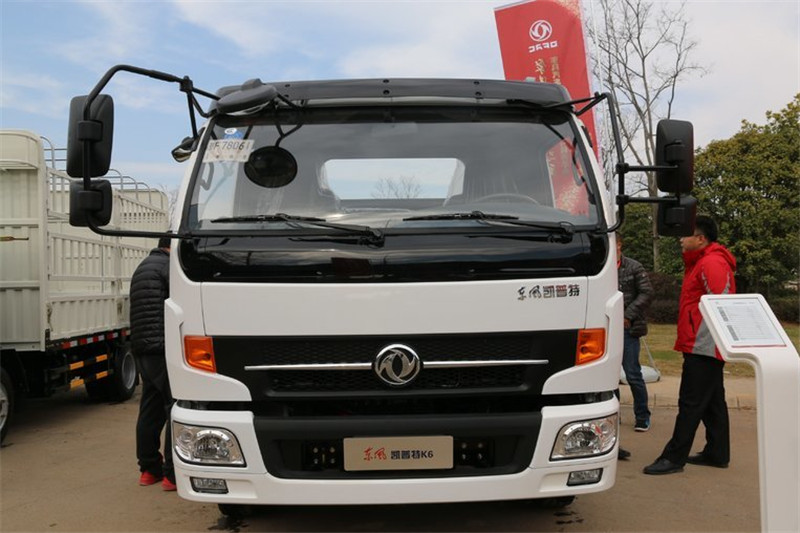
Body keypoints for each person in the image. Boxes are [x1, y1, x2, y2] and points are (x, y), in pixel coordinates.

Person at [644, 216, 736, 475]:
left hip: (704, 346)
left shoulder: (711, 262)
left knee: (690, 402)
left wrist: (709, 341)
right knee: (713, 402)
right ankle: (717, 453)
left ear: (701, 239)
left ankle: (674, 458)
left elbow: (721, 304)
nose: (681, 239)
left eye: (686, 234)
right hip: (702, 344)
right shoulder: (701, 262)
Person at [130, 236, 175, 491]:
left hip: (143, 349)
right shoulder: (168, 267)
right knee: (175, 408)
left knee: (150, 409)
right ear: (172, 246)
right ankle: (172, 475)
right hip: (163, 348)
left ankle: (148, 470)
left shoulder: (143, 267)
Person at [617, 235, 653, 432]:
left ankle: (642, 416)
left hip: (628, 328)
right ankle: (613, 415)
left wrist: (627, 315)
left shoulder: (634, 267)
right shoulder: (601, 267)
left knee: (632, 374)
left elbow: (647, 293)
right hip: (605, 328)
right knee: (608, 376)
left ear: (619, 244)